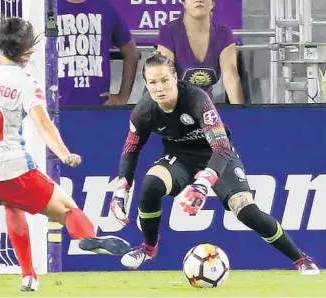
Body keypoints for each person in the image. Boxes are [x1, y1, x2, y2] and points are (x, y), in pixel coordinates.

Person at [0, 17, 131, 291]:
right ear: (28, 52)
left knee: (12, 205)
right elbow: (43, 123)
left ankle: (28, 276)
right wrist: (64, 154)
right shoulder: (25, 82)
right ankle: (86, 237)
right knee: (67, 209)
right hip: (10, 171)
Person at [109, 52, 320, 275]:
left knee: (247, 211)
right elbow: (131, 149)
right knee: (151, 184)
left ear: (175, 78)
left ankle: (301, 259)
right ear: (147, 84)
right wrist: (122, 188)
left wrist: (203, 183)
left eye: (164, 80)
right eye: (153, 82)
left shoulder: (196, 99)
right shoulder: (143, 111)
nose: (159, 88)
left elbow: (221, 147)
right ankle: (148, 248)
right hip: (179, 158)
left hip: (216, 155)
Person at [156, 0, 244, 104]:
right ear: (184, 3)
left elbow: (231, 77)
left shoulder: (224, 34)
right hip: (171, 105)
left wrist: (241, 114)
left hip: (204, 107)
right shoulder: (168, 32)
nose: (198, 0)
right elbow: (164, 78)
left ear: (212, 3)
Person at [57, 0, 139, 105]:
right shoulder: (46, 9)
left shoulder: (105, 8)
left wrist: (123, 97)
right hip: (54, 108)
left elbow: (131, 52)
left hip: (99, 107)